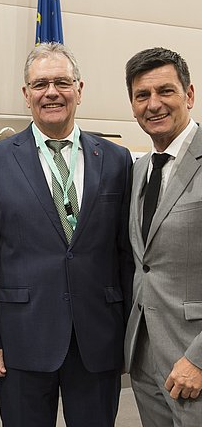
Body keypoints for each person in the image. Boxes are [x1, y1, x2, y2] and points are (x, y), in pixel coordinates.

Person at [0, 42, 135, 427]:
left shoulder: (115, 159)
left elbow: (124, 254)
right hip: (21, 336)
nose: (51, 92)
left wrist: (128, 334)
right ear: (26, 95)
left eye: (61, 81)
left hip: (98, 336)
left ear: (79, 89)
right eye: (40, 83)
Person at [124, 47, 202, 426]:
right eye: (142, 95)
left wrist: (199, 359)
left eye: (165, 91)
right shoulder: (139, 170)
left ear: (189, 95)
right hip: (145, 359)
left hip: (194, 360)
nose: (153, 104)